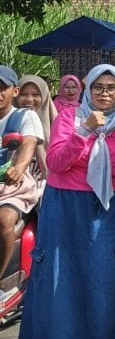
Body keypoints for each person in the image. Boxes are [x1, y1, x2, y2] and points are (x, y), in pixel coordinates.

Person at [20, 64, 115, 339]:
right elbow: (55, 163)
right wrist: (85, 131)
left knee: (103, 278)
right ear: (88, 90)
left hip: (108, 212)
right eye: (98, 87)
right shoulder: (69, 118)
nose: (104, 93)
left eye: (111, 88)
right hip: (65, 208)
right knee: (62, 275)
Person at [0, 67, 44, 279]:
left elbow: (29, 143)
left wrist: (18, 168)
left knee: (3, 220)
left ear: (14, 91)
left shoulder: (24, 116)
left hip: (12, 190)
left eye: (3, 88)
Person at [17, 74, 58, 179]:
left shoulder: (58, 124)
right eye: (23, 94)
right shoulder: (7, 121)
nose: (29, 99)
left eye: (36, 95)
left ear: (44, 96)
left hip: (49, 182)